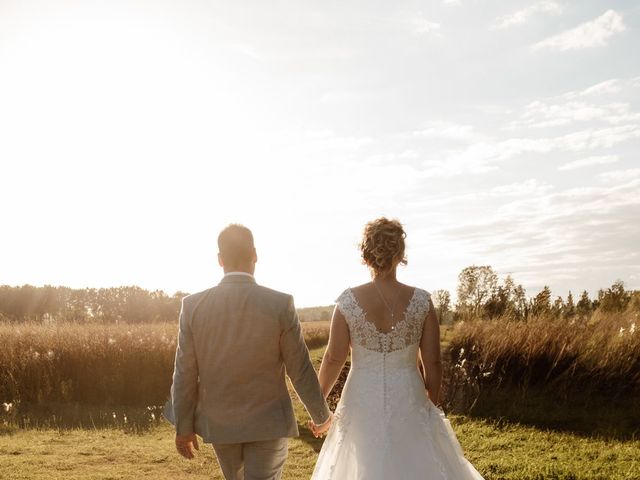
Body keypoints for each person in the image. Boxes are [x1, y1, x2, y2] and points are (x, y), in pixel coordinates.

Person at [309, 217, 484, 479]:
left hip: (360, 399)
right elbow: (433, 362)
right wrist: (431, 406)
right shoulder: (421, 301)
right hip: (409, 397)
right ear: (400, 254)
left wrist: (318, 405)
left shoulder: (347, 302)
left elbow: (334, 358)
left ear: (366, 255)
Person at [164, 224, 332, 480]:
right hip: (269, 423)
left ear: (220, 259)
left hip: (221, 424)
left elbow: (185, 372)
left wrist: (183, 427)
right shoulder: (280, 303)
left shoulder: (193, 306)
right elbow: (299, 368)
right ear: (255, 254)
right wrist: (321, 416)